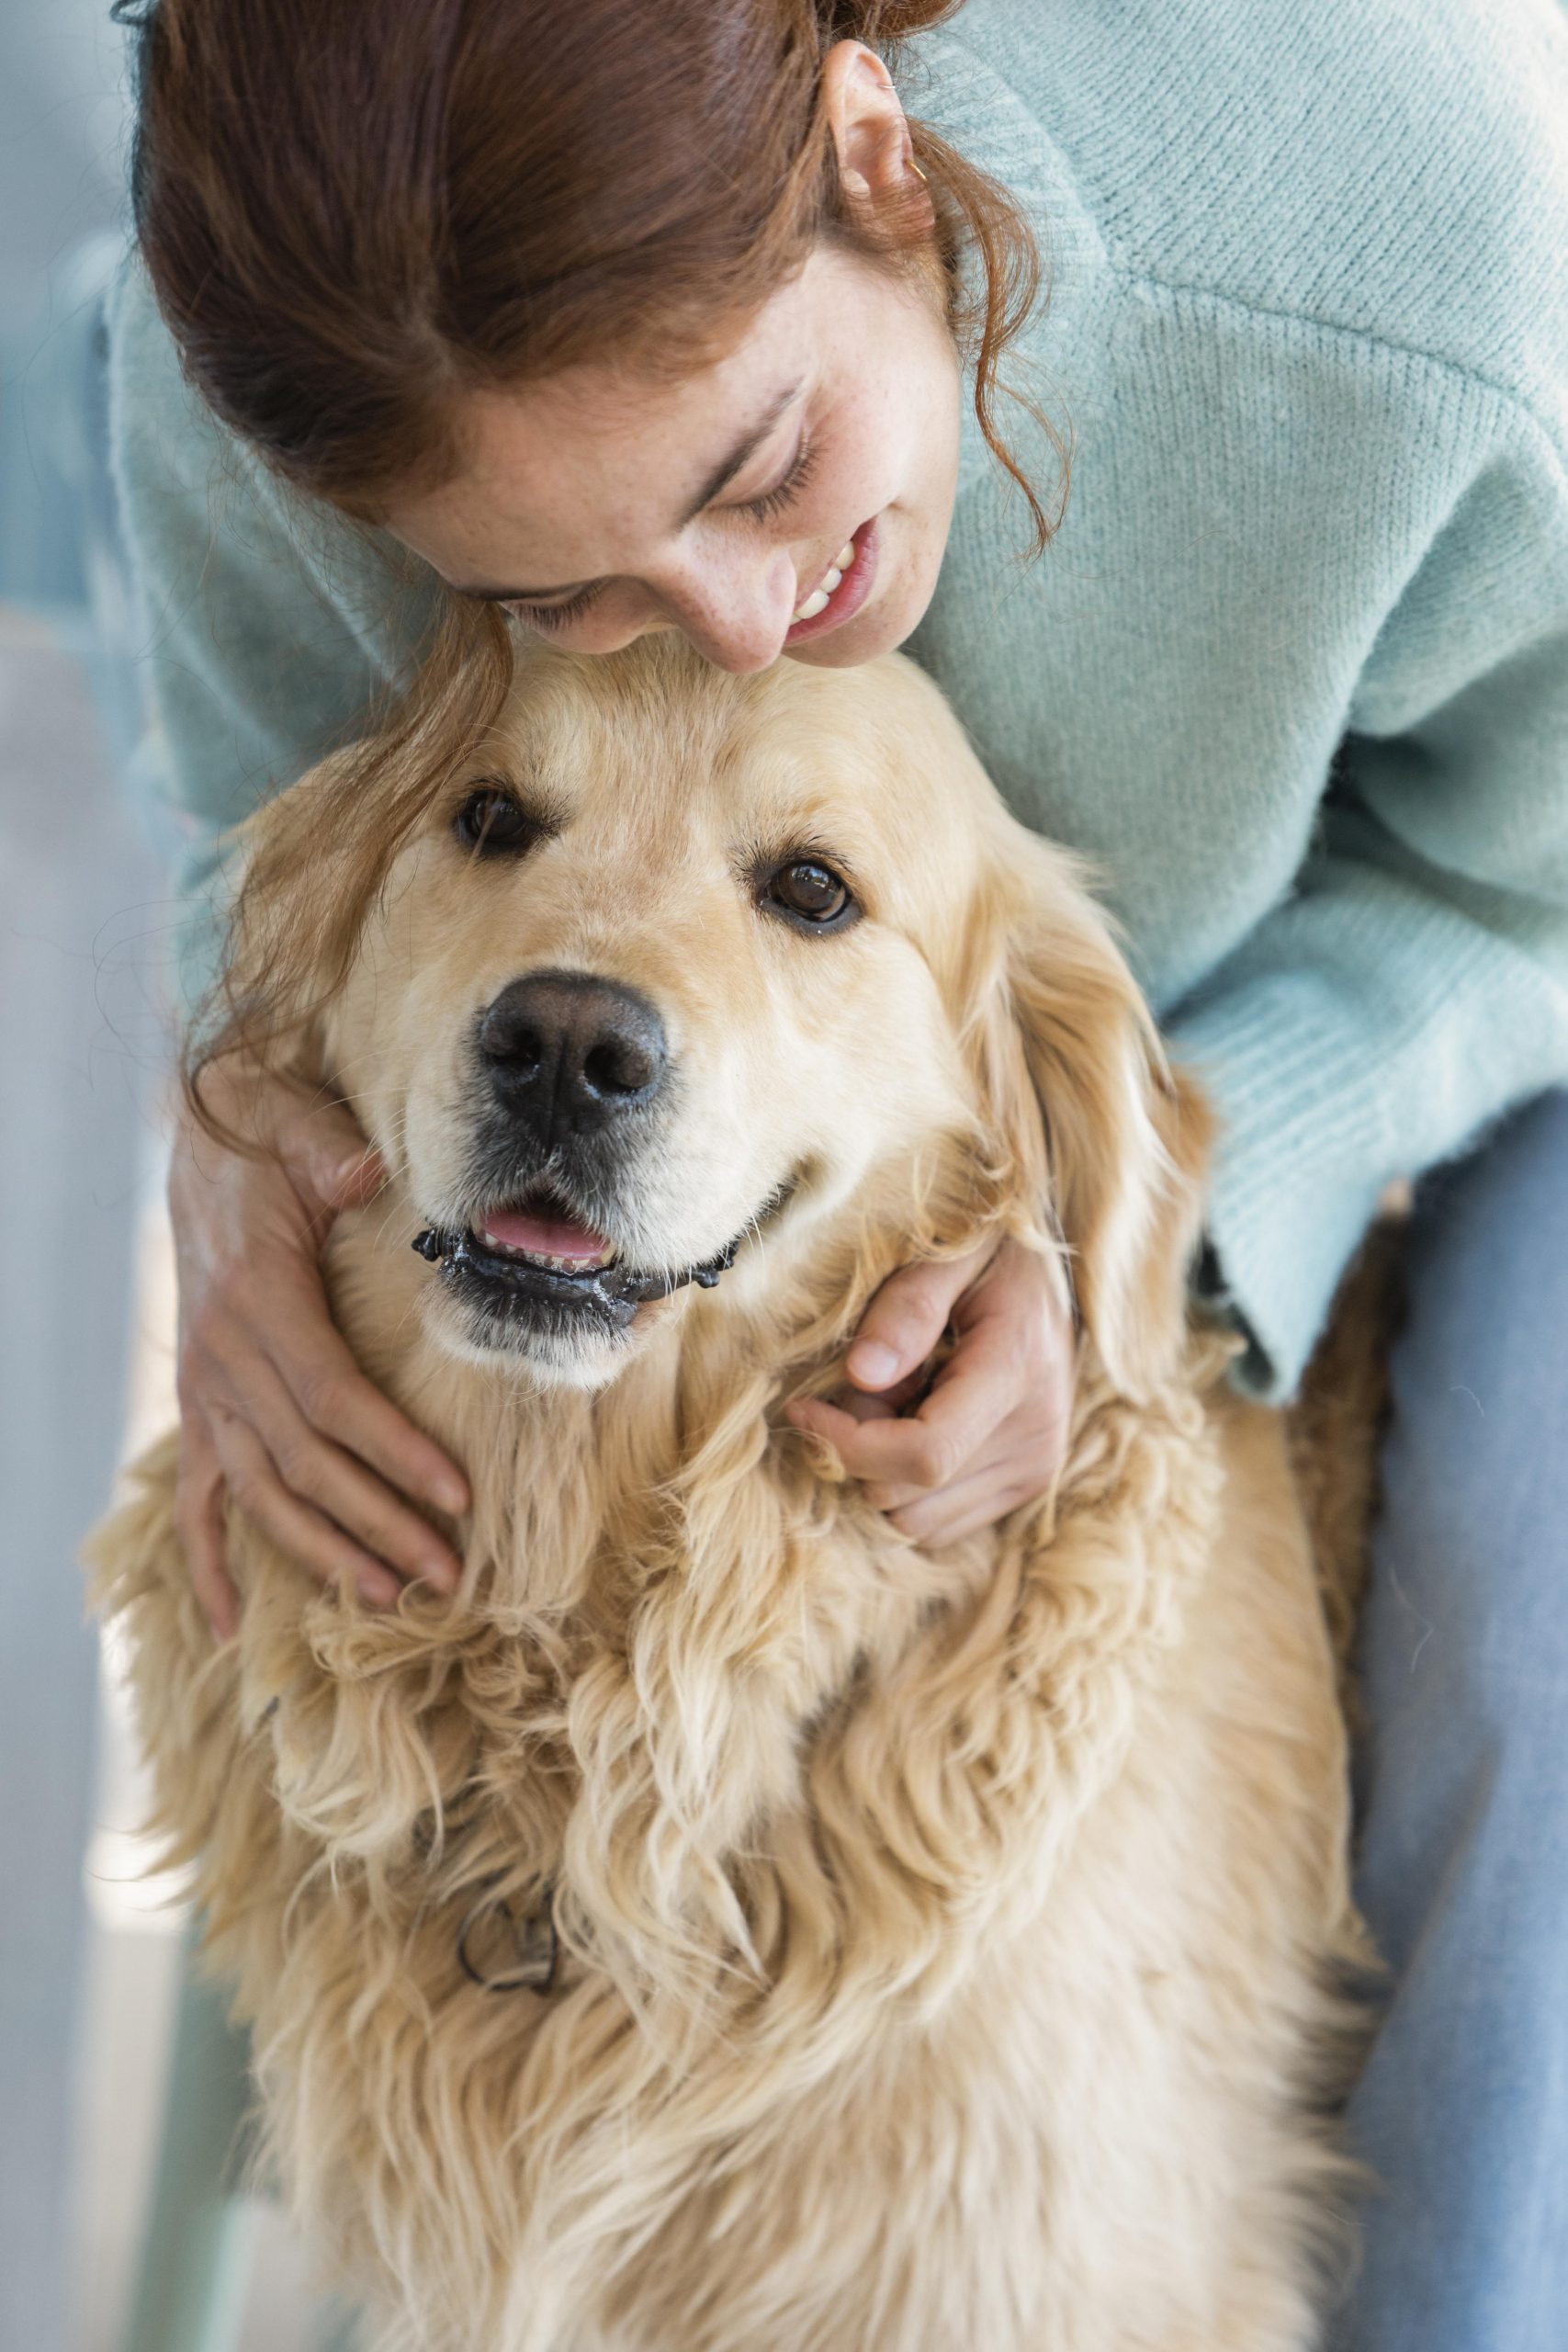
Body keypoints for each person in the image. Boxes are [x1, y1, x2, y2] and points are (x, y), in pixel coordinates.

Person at [107, 0, 1568, 2343]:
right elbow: (275, 861)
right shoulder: (265, 367)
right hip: (829, 1116)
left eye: (761, 460)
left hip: (1424, 977)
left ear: (876, 159)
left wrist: (1144, 1226)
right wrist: (228, 1148)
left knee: (1530, 1670)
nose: (725, 616)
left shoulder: (1420, 280)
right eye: (551, 598)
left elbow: (1538, 889)